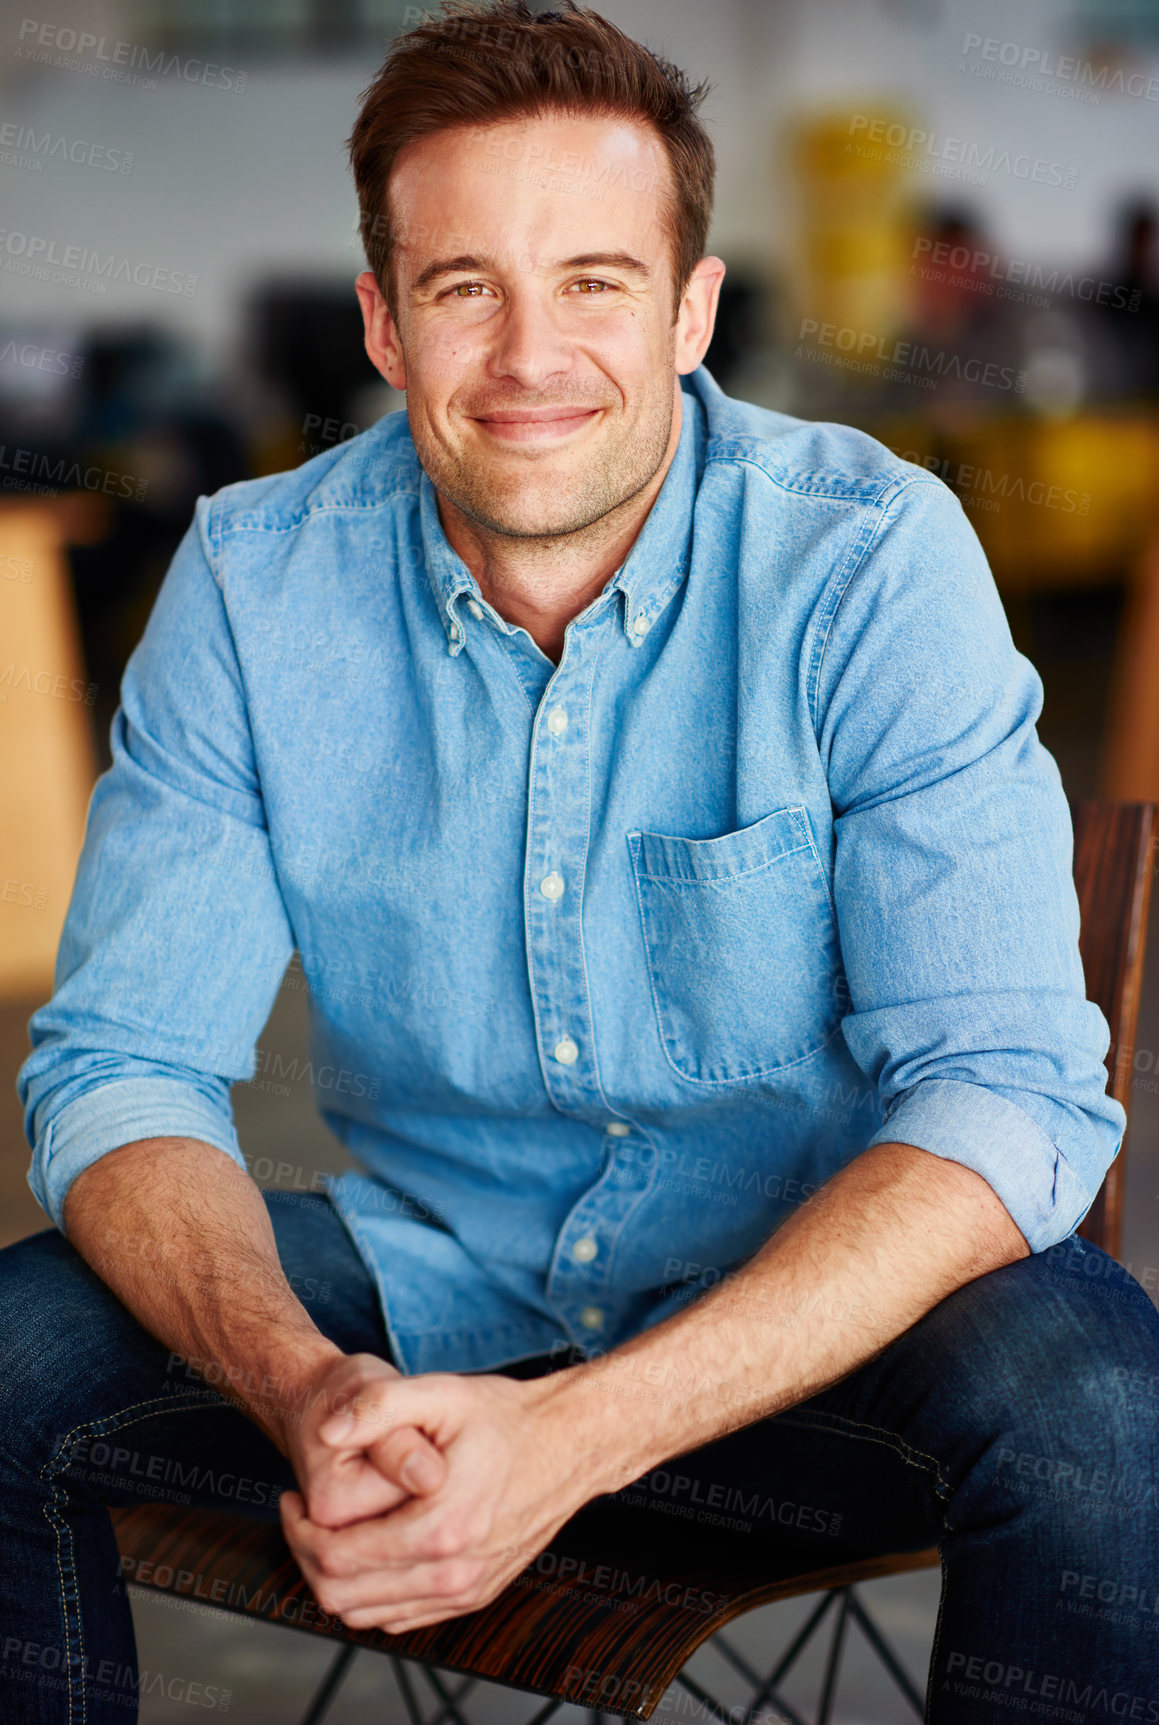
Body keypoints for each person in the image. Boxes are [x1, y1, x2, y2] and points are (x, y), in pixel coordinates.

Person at [5, 3, 1158, 1719]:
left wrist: (577, 1433)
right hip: (426, 1294)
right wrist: (307, 1386)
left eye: (598, 281)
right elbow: (121, 1068)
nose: (532, 354)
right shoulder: (255, 590)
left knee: (1107, 1415)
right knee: (17, 1356)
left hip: (817, 1335)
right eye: (466, 285)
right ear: (387, 326)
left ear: (694, 310)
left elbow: (1008, 1090)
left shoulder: (865, 566)